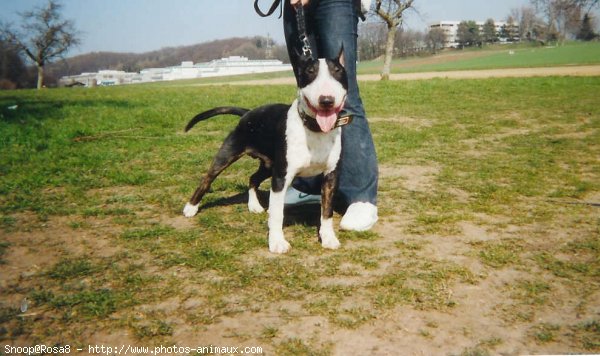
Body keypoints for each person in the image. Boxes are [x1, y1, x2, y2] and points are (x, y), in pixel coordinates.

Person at [257, 0, 379, 231]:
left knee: (344, 98)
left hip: (335, 4)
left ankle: (361, 198)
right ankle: (309, 186)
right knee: (310, 96)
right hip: (293, 6)